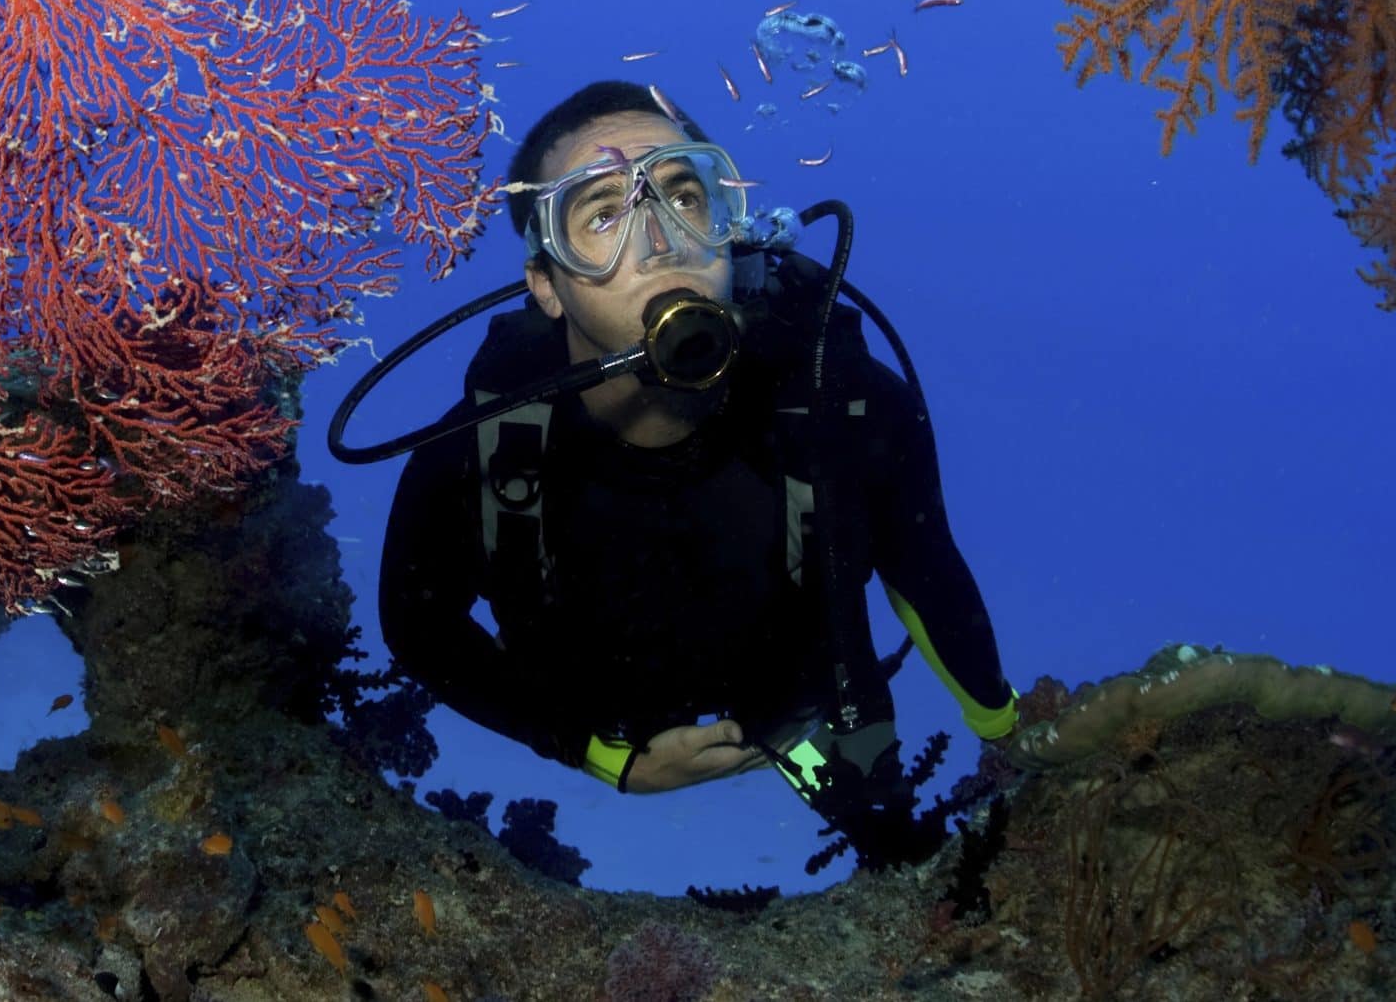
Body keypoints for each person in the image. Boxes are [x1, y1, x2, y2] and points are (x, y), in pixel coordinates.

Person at [376, 80, 1019, 868]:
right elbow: (418, 625)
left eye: (686, 194)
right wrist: (598, 755)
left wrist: (1012, 733)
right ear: (547, 281)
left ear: (729, 226)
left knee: (894, 842)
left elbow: (924, 568)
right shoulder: (479, 448)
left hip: (789, 716)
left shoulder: (840, 399)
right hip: (605, 720)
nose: (659, 240)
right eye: (603, 213)